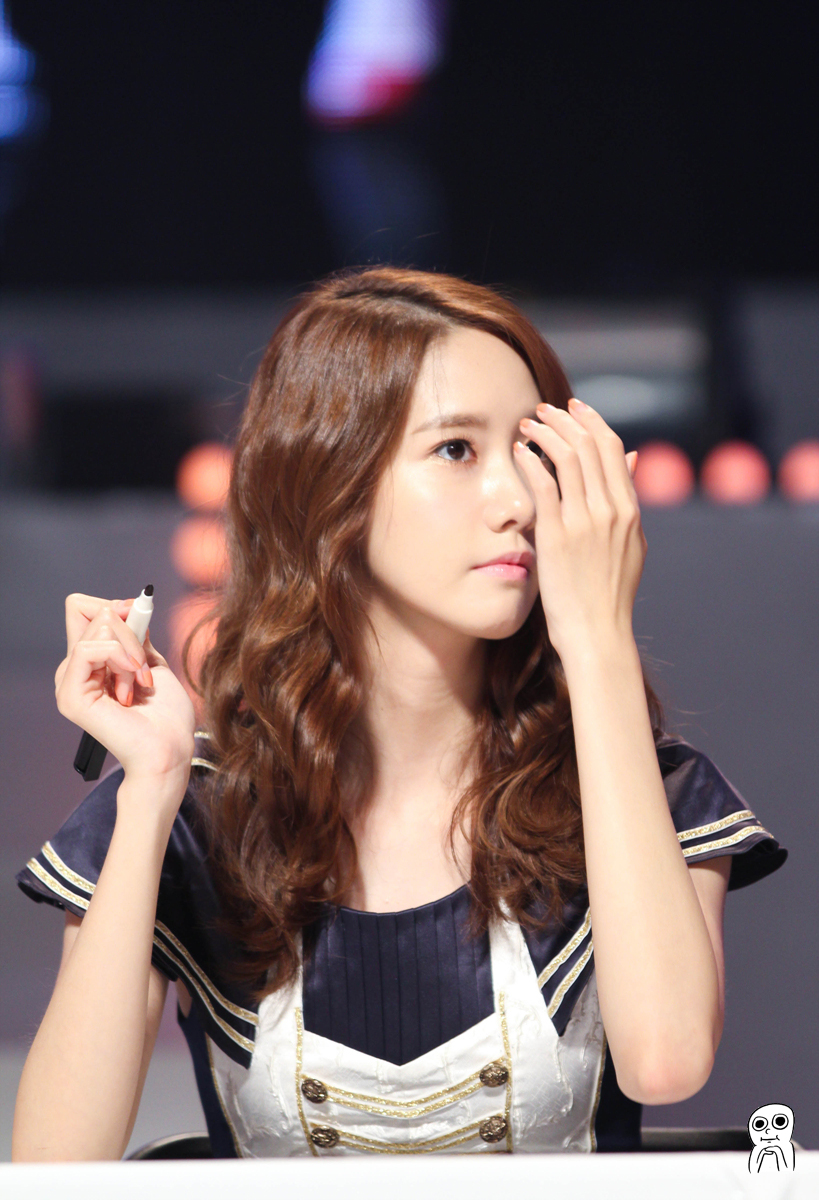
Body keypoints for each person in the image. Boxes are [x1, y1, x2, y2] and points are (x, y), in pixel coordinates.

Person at [13, 267, 786, 1160]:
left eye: (531, 454)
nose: (516, 501)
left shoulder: (635, 791)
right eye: (456, 450)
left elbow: (666, 1062)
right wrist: (150, 789)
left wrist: (599, 641)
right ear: (329, 481)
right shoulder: (198, 816)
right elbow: (55, 1167)